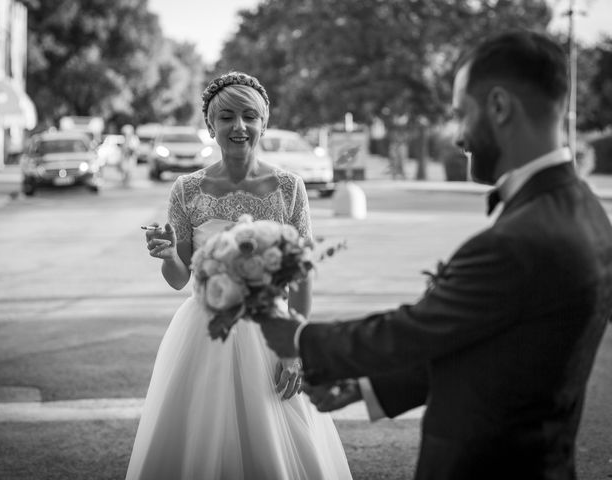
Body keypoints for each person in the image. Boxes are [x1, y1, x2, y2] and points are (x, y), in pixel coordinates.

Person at [258, 29, 612, 480]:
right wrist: (369, 388)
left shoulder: (519, 241)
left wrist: (300, 339)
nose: (459, 137)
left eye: (462, 115)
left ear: (500, 107)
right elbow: (493, 346)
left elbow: (414, 330)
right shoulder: (585, 211)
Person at [126, 72, 352, 480]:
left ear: (264, 122)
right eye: (226, 117)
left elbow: (301, 275)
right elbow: (180, 278)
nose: (239, 126)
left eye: (249, 116)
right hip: (203, 332)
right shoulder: (186, 189)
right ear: (210, 125)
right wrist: (166, 254)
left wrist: (295, 346)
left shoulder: (289, 187)